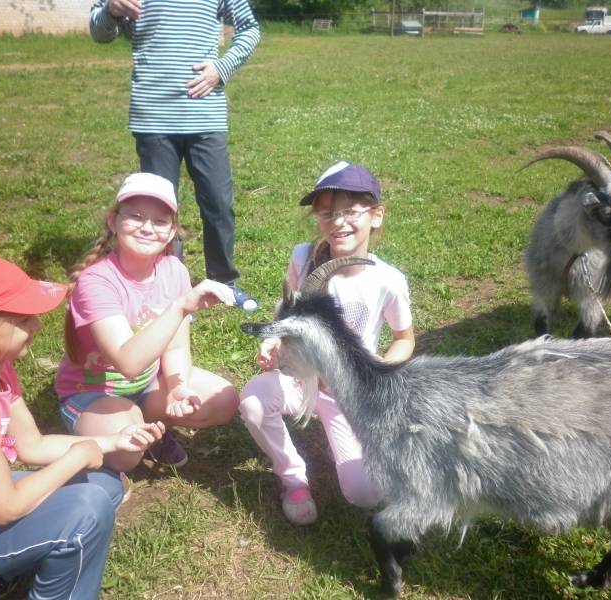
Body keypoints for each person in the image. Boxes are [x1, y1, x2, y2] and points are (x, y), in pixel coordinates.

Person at [0, 254, 165, 598]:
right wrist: (78, 456)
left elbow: (31, 446)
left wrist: (113, 441)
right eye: (23, 319)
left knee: (105, 484)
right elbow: (6, 508)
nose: (36, 325)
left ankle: (4, 567)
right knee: (87, 511)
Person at [238, 162, 416, 525]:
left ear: (376, 215)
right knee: (254, 403)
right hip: (298, 379)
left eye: (351, 211)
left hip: (348, 393)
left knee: (366, 492)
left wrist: (380, 371)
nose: (339, 222)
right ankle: (292, 477)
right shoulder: (303, 258)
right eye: (327, 213)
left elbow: (404, 338)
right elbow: (288, 309)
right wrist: (275, 339)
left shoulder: (388, 281)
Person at [55, 172, 240, 473]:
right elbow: (128, 363)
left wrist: (178, 387)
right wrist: (180, 307)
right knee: (127, 453)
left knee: (224, 401)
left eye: (160, 221)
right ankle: (119, 446)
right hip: (94, 392)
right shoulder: (96, 281)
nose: (147, 228)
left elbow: (176, 347)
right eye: (136, 216)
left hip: (145, 386)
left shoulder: (173, 270)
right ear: (113, 221)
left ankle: (148, 425)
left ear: (171, 232)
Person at [88, 0, 261, 313]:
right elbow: (100, 33)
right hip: (153, 117)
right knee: (160, 209)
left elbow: (250, 29)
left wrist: (221, 69)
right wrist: (111, 10)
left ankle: (224, 282)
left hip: (205, 117)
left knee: (218, 204)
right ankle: (168, 289)